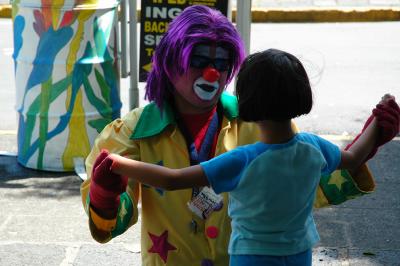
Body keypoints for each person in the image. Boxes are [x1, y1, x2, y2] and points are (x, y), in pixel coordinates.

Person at [80, 6, 400, 266]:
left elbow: (305, 188)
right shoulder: (132, 133)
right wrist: (104, 197)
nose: (212, 74)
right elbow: (108, 227)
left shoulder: (257, 125)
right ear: (170, 61)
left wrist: (365, 146)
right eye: (200, 61)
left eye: (221, 64)